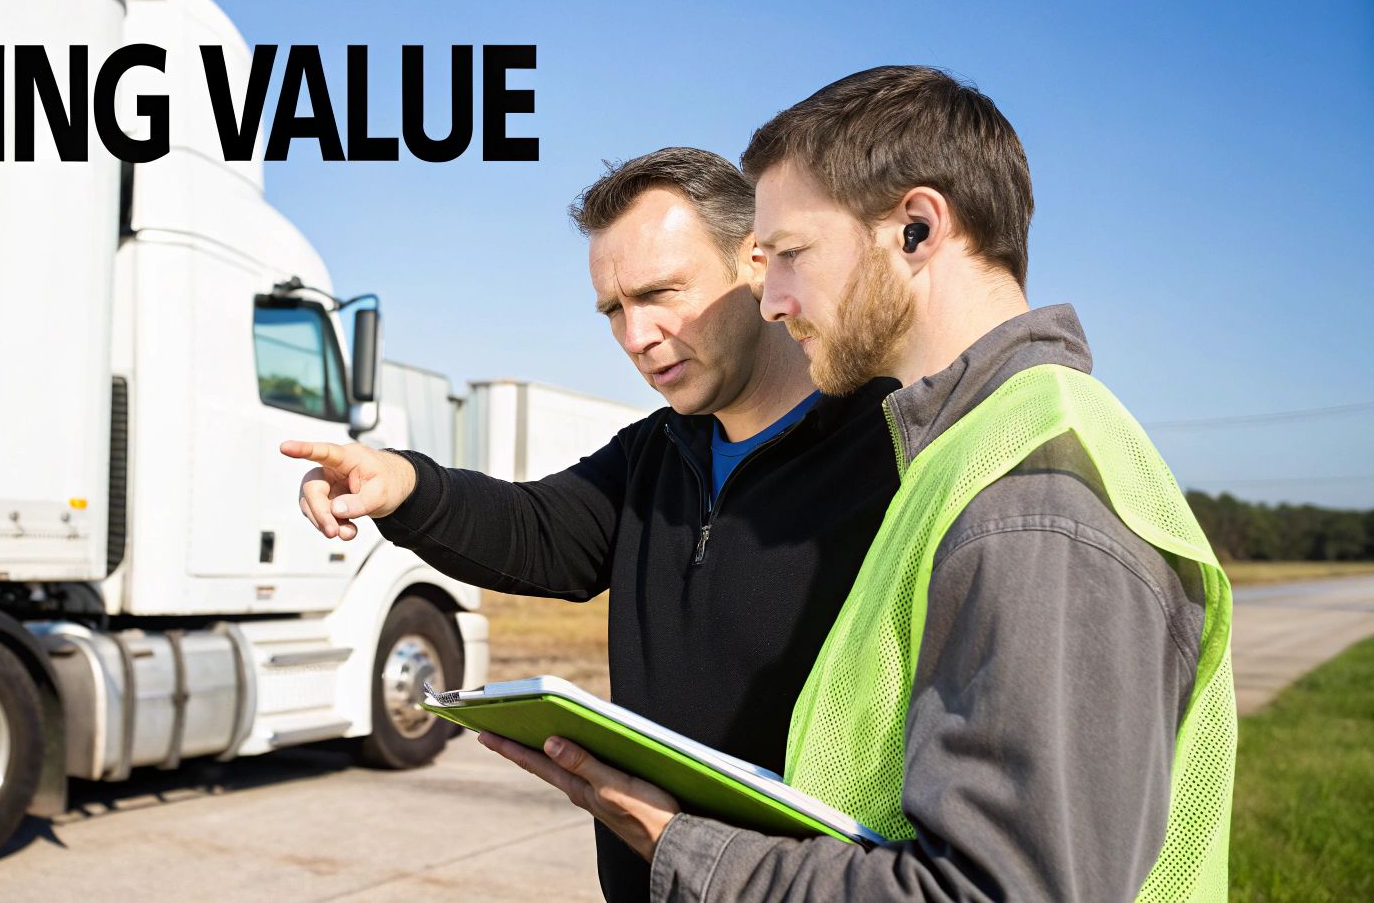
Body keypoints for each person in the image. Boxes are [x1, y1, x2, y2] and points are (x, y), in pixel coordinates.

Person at [475, 66, 1236, 902]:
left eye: (791, 255)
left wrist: (684, 849)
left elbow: (1002, 891)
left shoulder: (1031, 500)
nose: (771, 301)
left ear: (915, 229)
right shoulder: (956, 451)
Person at [281, 147, 901, 902]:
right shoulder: (656, 450)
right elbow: (539, 530)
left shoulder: (893, 444)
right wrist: (404, 485)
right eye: (614, 309)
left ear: (757, 263)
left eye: (660, 292)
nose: (636, 336)